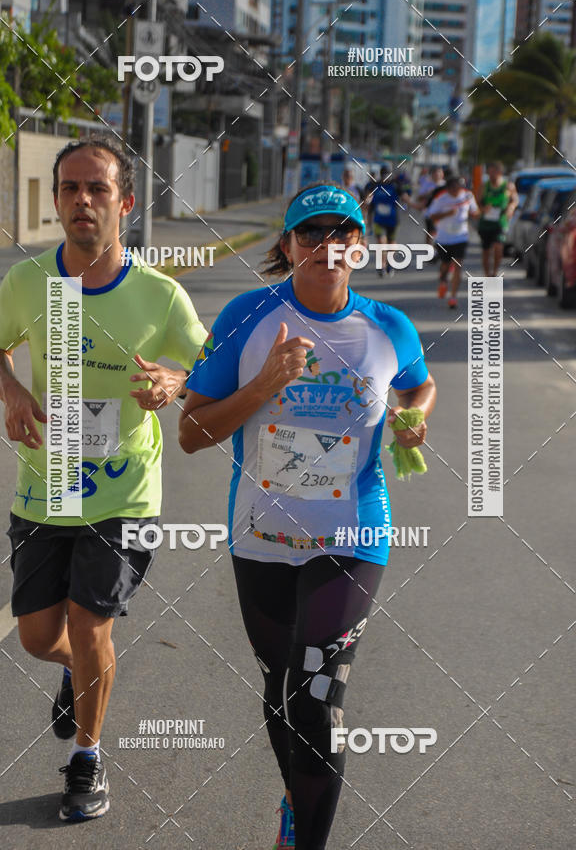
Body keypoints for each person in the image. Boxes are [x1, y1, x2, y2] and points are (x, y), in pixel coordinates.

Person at [179, 183, 436, 850]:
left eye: (341, 232)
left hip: (353, 536)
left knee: (316, 695)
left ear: (361, 243)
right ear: (287, 245)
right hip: (260, 537)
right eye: (310, 233)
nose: (327, 245)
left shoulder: (389, 326)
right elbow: (190, 432)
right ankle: (298, 799)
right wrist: (263, 384)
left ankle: (306, 841)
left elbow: (417, 381)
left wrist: (416, 416)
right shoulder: (244, 316)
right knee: (282, 687)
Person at [0, 135, 207, 821]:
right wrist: (12, 392)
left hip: (124, 491)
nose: (83, 200)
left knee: (90, 620)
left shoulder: (161, 297)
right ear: (55, 201)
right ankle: (80, 673)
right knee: (36, 634)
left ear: (125, 204)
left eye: (98, 188)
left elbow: (213, 371)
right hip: (46, 487)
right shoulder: (28, 284)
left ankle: (88, 756)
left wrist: (178, 379)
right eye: (71, 188)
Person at [428, 175, 480, 309]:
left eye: (459, 188)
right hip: (443, 238)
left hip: (460, 237)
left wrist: (477, 214)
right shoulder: (441, 198)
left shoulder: (468, 196)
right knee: (445, 265)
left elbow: (475, 211)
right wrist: (447, 214)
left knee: (458, 266)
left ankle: (453, 297)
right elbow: (432, 216)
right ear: (449, 188)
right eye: (454, 188)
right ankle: (443, 281)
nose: (457, 191)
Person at [477, 161, 518, 276]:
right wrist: (483, 208)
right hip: (486, 223)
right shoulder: (484, 186)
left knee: (498, 247)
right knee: (486, 250)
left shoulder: (508, 186)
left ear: (500, 172)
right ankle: (487, 274)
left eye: (494, 172)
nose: (491, 175)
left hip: (500, 222)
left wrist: (511, 208)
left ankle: (495, 272)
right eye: (489, 172)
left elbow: (515, 200)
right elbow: (478, 202)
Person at [367, 166, 409, 276]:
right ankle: (382, 266)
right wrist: (369, 222)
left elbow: (404, 197)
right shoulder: (375, 186)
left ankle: (390, 263)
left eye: (387, 174)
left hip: (392, 220)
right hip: (378, 219)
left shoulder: (395, 186)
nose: (385, 177)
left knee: (391, 243)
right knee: (381, 242)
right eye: (383, 174)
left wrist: (409, 204)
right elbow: (369, 203)